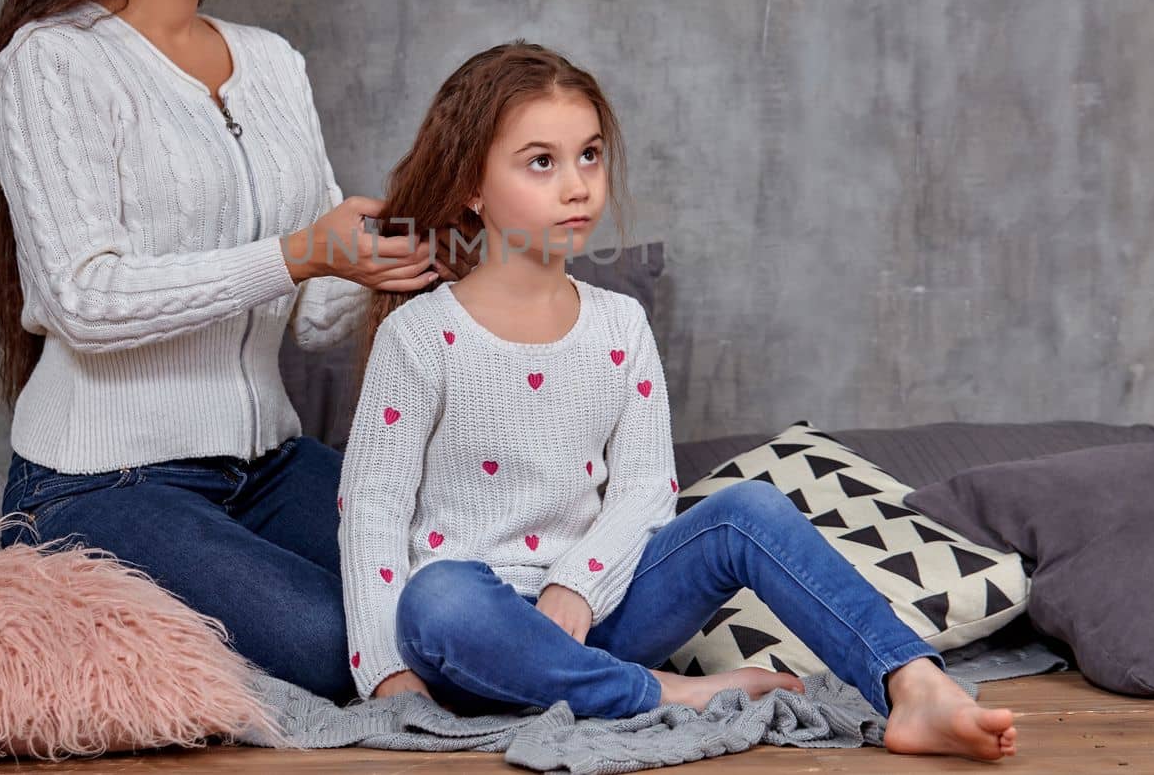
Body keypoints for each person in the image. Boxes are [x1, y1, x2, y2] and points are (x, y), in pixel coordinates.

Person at [336, 42, 1019, 760]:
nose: (578, 186)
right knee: (439, 597)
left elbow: (644, 489)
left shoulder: (619, 324)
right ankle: (660, 693)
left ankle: (911, 682)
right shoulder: (422, 336)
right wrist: (387, 674)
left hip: (601, 612)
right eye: (542, 162)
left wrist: (578, 582)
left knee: (748, 511)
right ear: (473, 184)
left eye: (590, 156)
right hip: (478, 641)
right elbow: (373, 509)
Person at [0, 0, 450, 702]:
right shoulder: (52, 62)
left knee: (452, 593)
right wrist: (300, 250)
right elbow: (83, 300)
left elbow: (303, 311)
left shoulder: (272, 63)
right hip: (104, 483)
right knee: (341, 643)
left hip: (267, 463)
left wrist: (371, 266)